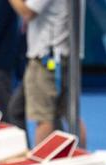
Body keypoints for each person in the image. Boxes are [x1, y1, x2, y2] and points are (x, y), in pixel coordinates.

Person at [9, 0, 68, 145]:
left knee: (44, 117)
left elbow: (27, 12)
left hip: (46, 59)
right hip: (56, 57)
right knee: (17, 109)